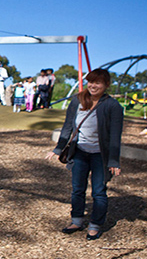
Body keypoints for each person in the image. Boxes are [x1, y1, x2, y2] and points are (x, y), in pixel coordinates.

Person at [45, 68, 123, 241]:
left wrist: (114, 161)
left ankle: (95, 225)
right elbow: (67, 127)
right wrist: (58, 149)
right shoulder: (77, 100)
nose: (93, 86)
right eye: (91, 82)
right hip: (79, 151)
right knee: (77, 189)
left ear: (106, 85)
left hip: (100, 155)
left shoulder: (112, 106)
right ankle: (76, 220)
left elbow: (115, 136)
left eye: (98, 82)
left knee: (98, 191)